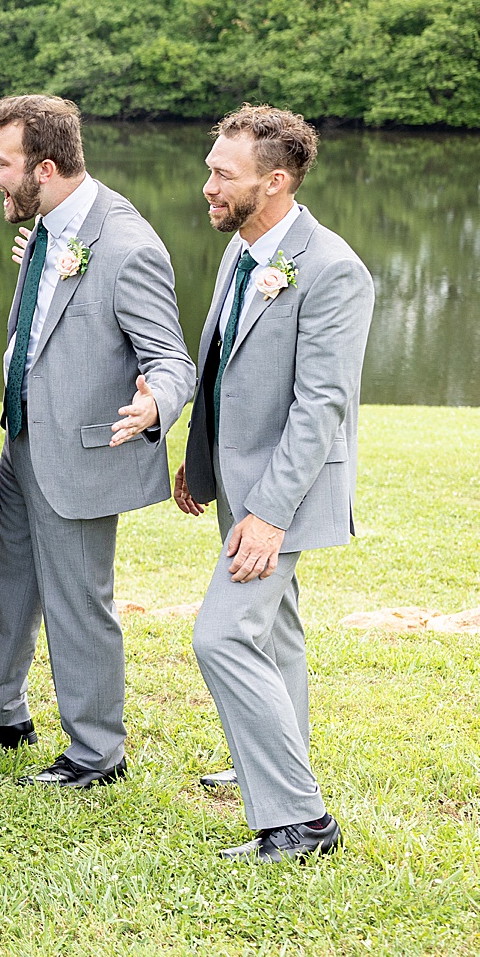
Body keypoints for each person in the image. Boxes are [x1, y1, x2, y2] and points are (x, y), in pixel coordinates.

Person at [0, 94, 196, 787]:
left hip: (83, 452)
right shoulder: (51, 227)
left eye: (0, 163)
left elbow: (172, 359)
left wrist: (156, 402)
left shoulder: (126, 245)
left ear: (44, 166)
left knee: (78, 600)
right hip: (26, 438)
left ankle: (97, 751)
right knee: (8, 581)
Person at [175, 107, 372, 862]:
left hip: (282, 497)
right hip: (240, 477)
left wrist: (265, 514)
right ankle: (272, 760)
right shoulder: (244, 250)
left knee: (221, 635)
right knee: (277, 633)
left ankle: (301, 822)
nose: (207, 186)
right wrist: (202, 452)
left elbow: (322, 406)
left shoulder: (333, 269)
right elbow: (223, 361)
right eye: (210, 168)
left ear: (277, 181)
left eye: (224, 175)